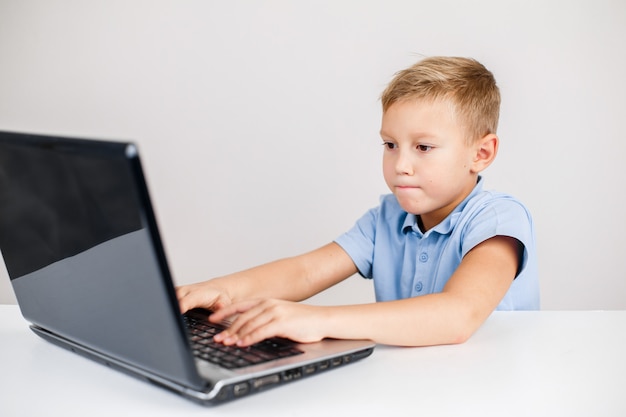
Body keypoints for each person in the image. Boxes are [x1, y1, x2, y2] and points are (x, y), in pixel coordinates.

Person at [177, 56, 539, 348]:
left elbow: (457, 315)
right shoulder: (387, 218)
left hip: (491, 389)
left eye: (423, 147)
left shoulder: (497, 219)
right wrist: (221, 289)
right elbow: (305, 271)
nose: (401, 165)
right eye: (390, 144)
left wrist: (318, 319)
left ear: (481, 152)